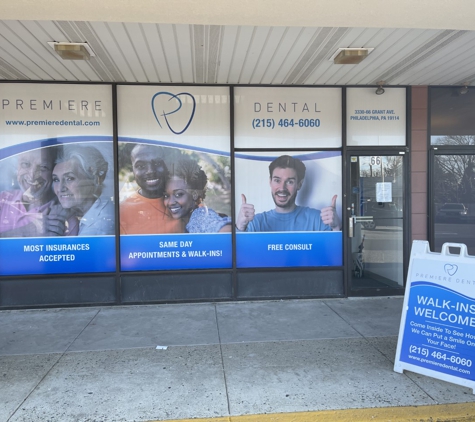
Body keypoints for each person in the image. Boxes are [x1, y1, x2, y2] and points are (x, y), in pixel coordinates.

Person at [236, 155, 341, 232]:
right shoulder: (256, 223)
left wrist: (336, 227)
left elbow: (334, 254)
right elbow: (240, 257)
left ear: (299, 184)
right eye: (277, 180)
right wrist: (240, 226)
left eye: (290, 182)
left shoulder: (318, 220)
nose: (282, 188)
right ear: (270, 182)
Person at [0, 147, 72, 237]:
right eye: (25, 164)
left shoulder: (64, 215)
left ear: (53, 171)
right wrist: (25, 232)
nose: (32, 175)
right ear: (17, 167)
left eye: (43, 167)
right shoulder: (3, 199)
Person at [119, 144, 184, 234]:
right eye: (141, 166)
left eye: (157, 163)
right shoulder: (122, 212)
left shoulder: (186, 201)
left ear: (166, 166)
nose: (150, 171)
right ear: (132, 170)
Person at [52, 145, 114, 236]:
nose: (60, 188)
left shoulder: (99, 227)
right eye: (56, 180)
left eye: (69, 178)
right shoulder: (82, 215)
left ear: (92, 178)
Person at [163, 157, 231, 233]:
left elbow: (223, 230)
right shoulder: (186, 219)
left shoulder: (199, 217)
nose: (170, 202)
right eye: (166, 196)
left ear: (194, 195)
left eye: (178, 194)